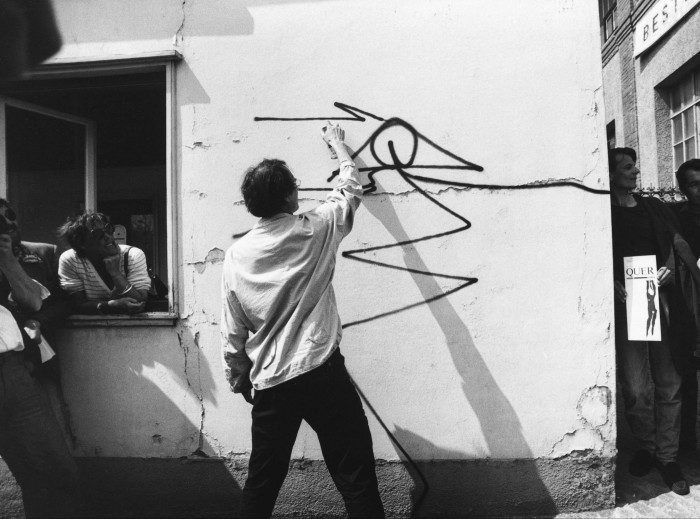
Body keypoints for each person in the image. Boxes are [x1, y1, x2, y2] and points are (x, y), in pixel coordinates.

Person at [221, 123, 384, 518]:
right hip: (320, 369)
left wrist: (239, 376)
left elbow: (234, 328)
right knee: (354, 472)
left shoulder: (237, 255)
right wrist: (338, 147)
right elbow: (348, 190)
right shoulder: (316, 228)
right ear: (289, 196)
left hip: (273, 380)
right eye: (295, 186)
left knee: (263, 478)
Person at [609, 147, 700, 496]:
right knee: (635, 387)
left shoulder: (654, 207)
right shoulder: (603, 213)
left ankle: (667, 456)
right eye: (628, 167)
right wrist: (610, 279)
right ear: (612, 173)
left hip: (660, 301)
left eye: (635, 166)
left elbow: (678, 249)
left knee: (669, 382)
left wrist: (669, 271)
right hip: (627, 304)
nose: (635, 172)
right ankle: (647, 445)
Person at [0, 198, 79, 517]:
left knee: (55, 471)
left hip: (14, 371)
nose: (7, 224)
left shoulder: (33, 253)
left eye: (9, 218)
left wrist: (7, 261)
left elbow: (38, 303)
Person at [57, 212, 150, 315]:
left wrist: (116, 274)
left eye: (109, 230)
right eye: (99, 235)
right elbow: (77, 305)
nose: (109, 237)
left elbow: (140, 302)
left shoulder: (132, 255)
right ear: (82, 244)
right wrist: (111, 305)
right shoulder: (71, 260)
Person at [671, 158, 700, 453]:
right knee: (687, 373)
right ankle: (687, 442)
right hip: (689, 303)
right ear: (682, 188)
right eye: (694, 184)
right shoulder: (674, 217)